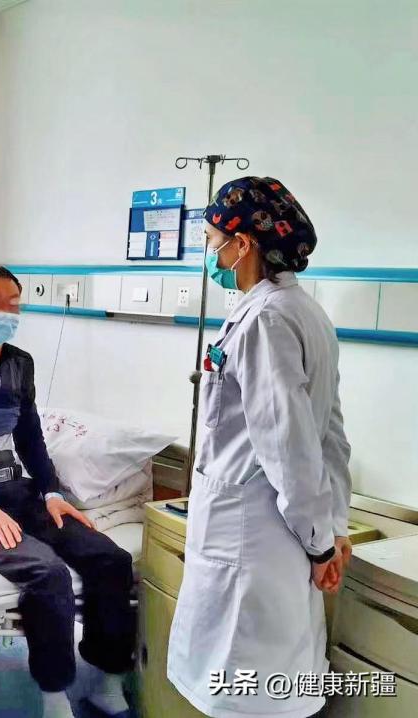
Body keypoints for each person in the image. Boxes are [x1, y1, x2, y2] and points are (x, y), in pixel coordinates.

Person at [167, 177, 353, 718]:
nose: (210, 253)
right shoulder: (301, 311)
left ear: (242, 243)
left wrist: (321, 544)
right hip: (277, 535)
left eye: (211, 240)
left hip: (253, 535)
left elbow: (288, 446)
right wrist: (333, 528)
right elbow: (332, 435)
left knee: (243, 690)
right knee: (268, 688)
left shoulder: (266, 319)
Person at [0, 265, 135, 718]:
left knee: (111, 559)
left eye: (13, 303)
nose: (5, 311)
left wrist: (52, 493)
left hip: (19, 493)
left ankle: (109, 678)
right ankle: (54, 696)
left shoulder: (21, 363)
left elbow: (31, 438)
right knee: (48, 573)